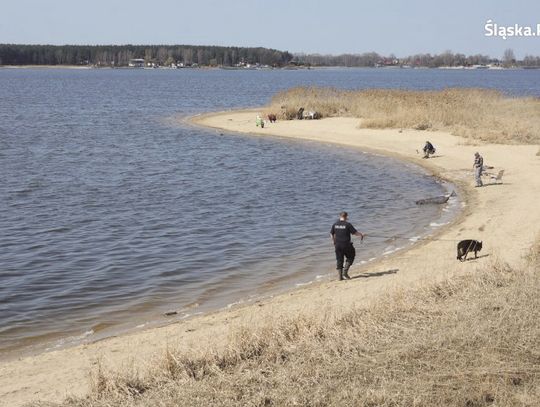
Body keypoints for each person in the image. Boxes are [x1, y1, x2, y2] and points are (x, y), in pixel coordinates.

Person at [330, 212, 364, 281]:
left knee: (339, 260)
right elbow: (355, 233)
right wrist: (361, 234)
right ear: (346, 217)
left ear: (340, 216)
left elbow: (331, 233)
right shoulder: (348, 224)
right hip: (346, 245)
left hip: (338, 245)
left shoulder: (335, 224)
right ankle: (345, 272)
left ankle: (340, 277)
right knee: (351, 256)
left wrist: (333, 241)